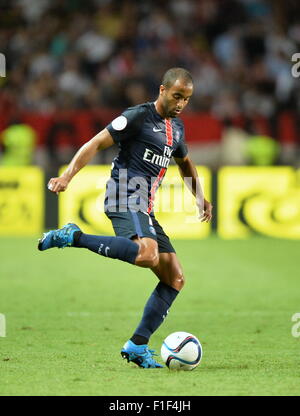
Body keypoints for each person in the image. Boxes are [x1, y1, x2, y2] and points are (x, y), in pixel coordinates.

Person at [38, 67, 213, 368]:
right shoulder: (137, 117)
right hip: (124, 196)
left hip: (145, 205)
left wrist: (199, 197)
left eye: (186, 99)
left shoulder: (177, 128)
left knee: (176, 278)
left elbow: (185, 162)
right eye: (177, 96)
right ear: (162, 90)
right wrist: (67, 176)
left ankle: (137, 345)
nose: (181, 104)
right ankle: (74, 236)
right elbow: (94, 143)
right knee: (147, 255)